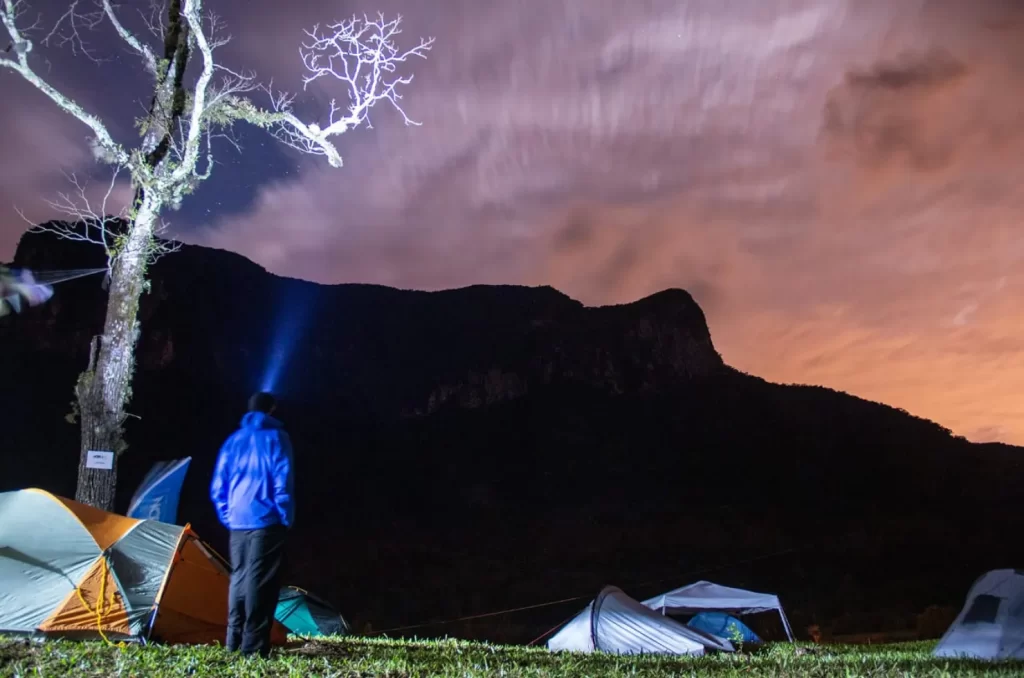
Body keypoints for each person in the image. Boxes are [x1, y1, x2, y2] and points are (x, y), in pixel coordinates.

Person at [210, 391, 295, 658]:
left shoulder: (233, 441)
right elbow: (283, 481)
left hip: (237, 520)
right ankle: (254, 647)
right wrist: (285, 516)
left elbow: (218, 486)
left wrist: (228, 515)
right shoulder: (278, 438)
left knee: (239, 576)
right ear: (272, 410)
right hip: (267, 520)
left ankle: (232, 640)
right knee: (261, 581)